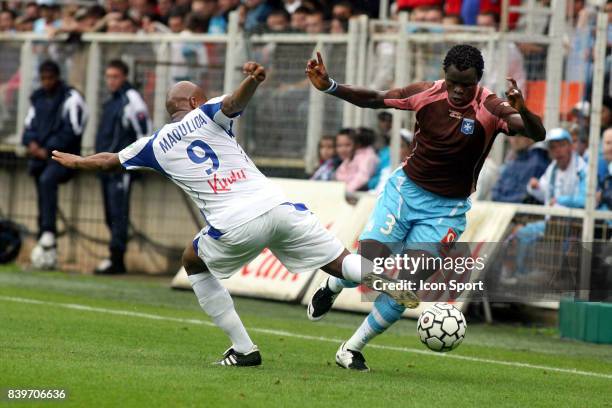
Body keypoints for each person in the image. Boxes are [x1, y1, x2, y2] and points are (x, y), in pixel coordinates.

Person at [52, 62, 417, 367]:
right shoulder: (207, 112)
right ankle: (387, 278)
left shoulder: (152, 145)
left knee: (192, 261)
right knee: (341, 263)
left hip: (234, 224)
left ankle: (244, 349)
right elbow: (231, 102)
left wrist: (79, 161)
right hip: (278, 206)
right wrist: (252, 80)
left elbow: (109, 162)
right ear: (194, 100)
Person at [305, 44, 545, 371]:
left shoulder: (490, 105)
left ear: (479, 80)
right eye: (453, 82)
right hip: (404, 194)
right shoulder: (425, 93)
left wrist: (524, 110)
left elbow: (537, 132)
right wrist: (331, 86)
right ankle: (334, 284)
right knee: (371, 260)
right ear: (444, 75)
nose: (459, 91)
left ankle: (351, 348)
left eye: (467, 84)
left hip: (446, 211)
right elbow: (376, 98)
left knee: (406, 287)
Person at [23, 60, 88, 270]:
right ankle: (45, 236)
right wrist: (32, 144)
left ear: (57, 77)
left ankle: (48, 234)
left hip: (64, 157)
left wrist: (49, 148)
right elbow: (28, 126)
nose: (46, 82)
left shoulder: (71, 97)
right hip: (40, 156)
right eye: (43, 78)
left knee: (47, 180)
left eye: (50, 78)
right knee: (42, 189)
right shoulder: (37, 98)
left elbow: (74, 130)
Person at [94, 60, 151, 275]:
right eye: (108, 77)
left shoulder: (131, 99)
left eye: (115, 76)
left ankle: (117, 258)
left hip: (120, 167)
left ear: (124, 77)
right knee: (110, 213)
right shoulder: (112, 101)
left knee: (118, 213)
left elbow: (143, 128)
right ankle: (115, 257)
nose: (111, 81)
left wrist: (137, 160)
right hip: (106, 167)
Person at [491, 135, 550, 203]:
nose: (514, 140)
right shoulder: (511, 162)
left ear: (530, 138)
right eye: (512, 135)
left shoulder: (538, 162)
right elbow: (495, 192)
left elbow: (527, 197)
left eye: (520, 135)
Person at [334, 128, 379, 192]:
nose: (343, 149)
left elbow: (362, 177)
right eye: (339, 145)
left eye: (347, 145)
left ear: (357, 145)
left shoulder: (368, 157)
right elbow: (339, 175)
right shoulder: (349, 159)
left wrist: (345, 191)